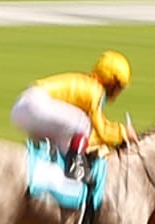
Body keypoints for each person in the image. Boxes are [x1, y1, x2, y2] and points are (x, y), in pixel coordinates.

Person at [9, 51, 133, 182]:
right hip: (35, 104)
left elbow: (90, 136)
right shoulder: (95, 91)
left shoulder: (88, 84)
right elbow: (100, 130)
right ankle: (75, 168)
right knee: (84, 124)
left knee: (68, 139)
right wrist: (124, 132)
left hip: (23, 108)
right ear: (112, 82)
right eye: (119, 87)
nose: (118, 93)